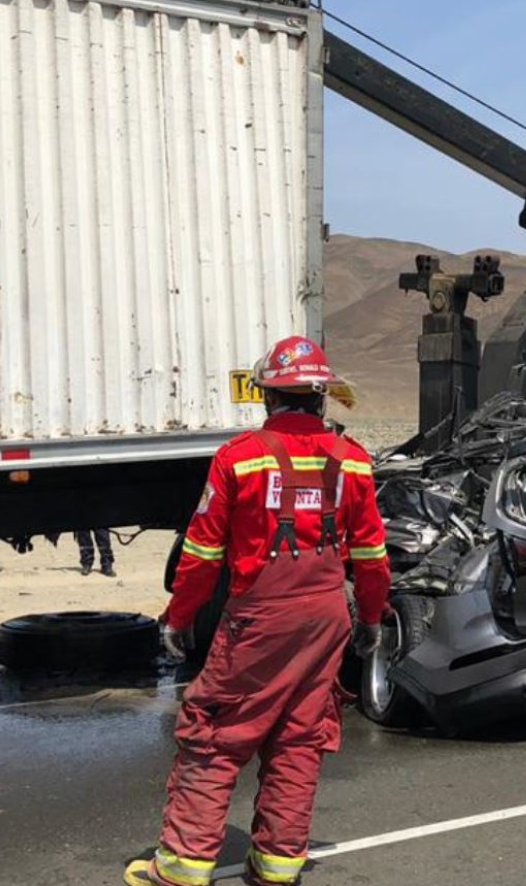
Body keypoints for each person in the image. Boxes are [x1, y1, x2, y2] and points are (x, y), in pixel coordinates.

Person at [126, 335, 391, 886]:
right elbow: (370, 556)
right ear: (320, 397)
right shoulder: (354, 461)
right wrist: (370, 618)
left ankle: (182, 866)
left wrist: (180, 617)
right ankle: (276, 867)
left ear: (268, 396)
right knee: (299, 738)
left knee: (215, 733)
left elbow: (202, 552)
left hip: (261, 620)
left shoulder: (240, 458)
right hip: (326, 618)